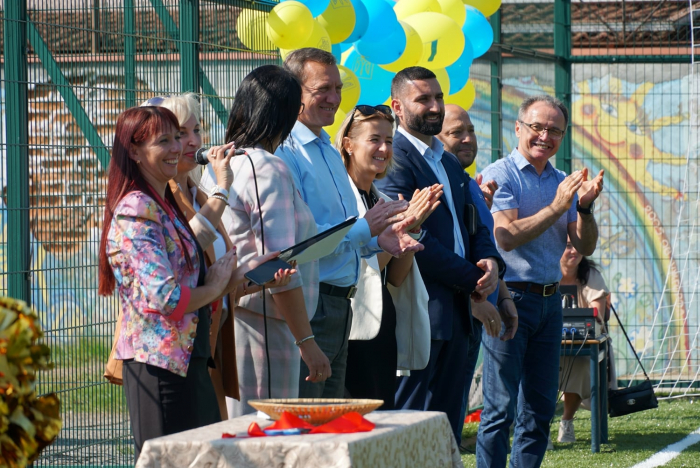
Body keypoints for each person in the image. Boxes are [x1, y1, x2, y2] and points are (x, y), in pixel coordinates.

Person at [97, 106, 277, 459]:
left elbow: (188, 274)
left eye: (178, 137)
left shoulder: (163, 203)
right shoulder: (137, 209)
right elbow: (167, 298)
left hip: (189, 359)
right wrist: (214, 288)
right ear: (134, 151)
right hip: (159, 367)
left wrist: (239, 276)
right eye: (163, 140)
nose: (178, 147)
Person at [276, 48, 423, 399]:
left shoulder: (324, 147)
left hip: (342, 305)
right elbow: (301, 241)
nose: (333, 98)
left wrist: (380, 241)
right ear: (293, 92)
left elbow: (343, 231)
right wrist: (367, 231)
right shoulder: (287, 151)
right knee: (309, 420)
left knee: (335, 422)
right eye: (322, 89)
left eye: (338, 89)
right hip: (313, 304)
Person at [375, 67, 505, 444]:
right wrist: (473, 279)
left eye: (438, 98)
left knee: (445, 432)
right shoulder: (393, 158)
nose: (435, 107)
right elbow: (414, 239)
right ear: (398, 107)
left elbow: (476, 224)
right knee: (408, 429)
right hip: (419, 313)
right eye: (423, 99)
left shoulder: (447, 161)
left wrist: (491, 263)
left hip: (461, 315)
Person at [477, 94, 604, 468]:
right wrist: (558, 206)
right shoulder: (501, 174)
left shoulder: (561, 181)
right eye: (537, 127)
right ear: (518, 128)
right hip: (510, 297)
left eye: (555, 130)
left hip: (551, 303)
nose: (545, 136)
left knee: (540, 407)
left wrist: (583, 207)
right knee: (499, 408)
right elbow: (506, 237)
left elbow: (585, 243)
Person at [216, 65, 331, 417]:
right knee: (265, 438)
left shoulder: (222, 162)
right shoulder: (267, 167)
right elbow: (278, 265)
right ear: (286, 112)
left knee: (237, 436)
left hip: (232, 319)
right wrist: (307, 341)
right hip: (266, 327)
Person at [334, 104, 442, 409]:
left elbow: (394, 277)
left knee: (381, 415)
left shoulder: (382, 200)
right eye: (374, 139)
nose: (384, 148)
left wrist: (411, 231)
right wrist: (390, 241)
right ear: (348, 144)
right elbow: (351, 268)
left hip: (382, 324)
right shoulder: (338, 198)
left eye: (390, 140)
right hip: (352, 324)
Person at [145, 92, 239, 420]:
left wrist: (251, 273)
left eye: (195, 130)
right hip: (177, 347)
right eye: (178, 134)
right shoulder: (159, 197)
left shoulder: (197, 193)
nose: (191, 141)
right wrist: (223, 188)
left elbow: (215, 268)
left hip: (210, 338)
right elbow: (188, 246)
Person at [436, 104, 517, 447]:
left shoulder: (466, 182)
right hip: (452, 315)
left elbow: (479, 246)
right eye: (456, 132)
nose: (468, 139)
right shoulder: (438, 179)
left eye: (470, 130)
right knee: (437, 425)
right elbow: (433, 254)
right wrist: (473, 302)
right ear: (435, 138)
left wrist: (505, 296)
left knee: (452, 426)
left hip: (475, 314)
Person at [557, 239, 610, 443]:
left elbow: (596, 316)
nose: (575, 251)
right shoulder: (545, 273)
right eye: (568, 245)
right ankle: (540, 427)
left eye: (578, 246)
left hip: (582, 345)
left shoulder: (591, 275)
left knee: (582, 364)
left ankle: (567, 422)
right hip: (547, 342)